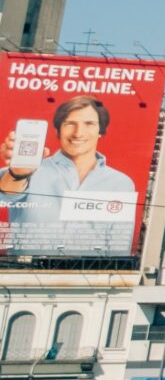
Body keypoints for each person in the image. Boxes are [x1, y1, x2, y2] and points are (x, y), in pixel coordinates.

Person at [0, 95, 141, 258]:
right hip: (25, 277)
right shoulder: (29, 170)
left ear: (101, 131)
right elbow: (6, 194)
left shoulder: (121, 183)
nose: (78, 133)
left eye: (89, 124)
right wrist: (17, 174)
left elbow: (118, 245)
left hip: (88, 280)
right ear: (58, 130)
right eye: (70, 124)